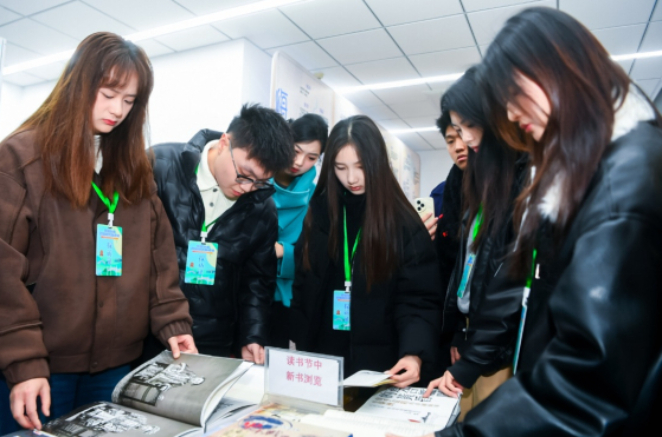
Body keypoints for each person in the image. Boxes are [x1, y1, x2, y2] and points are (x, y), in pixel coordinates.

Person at [431, 7, 662, 436]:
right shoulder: (587, 174)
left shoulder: (623, 181)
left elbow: (588, 376)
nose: (509, 113)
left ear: (558, 65)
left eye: (514, 92)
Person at [0, 32, 196, 432]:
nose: (117, 110)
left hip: (115, 366)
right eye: (108, 94)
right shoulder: (21, 158)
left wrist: (174, 323)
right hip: (42, 368)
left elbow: (159, 261)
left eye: (129, 101)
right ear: (78, 85)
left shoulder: (132, 169)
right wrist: (23, 360)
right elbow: (3, 271)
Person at [290, 115, 442, 387]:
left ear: (377, 162)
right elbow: (304, 281)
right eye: (340, 167)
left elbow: (418, 300)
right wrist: (299, 338)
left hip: (381, 366)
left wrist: (414, 352)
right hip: (322, 361)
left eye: (360, 166)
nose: (351, 178)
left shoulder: (402, 222)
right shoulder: (320, 213)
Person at [149, 104, 294, 365]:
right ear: (224, 142)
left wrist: (252, 336)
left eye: (260, 182)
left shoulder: (262, 206)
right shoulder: (160, 166)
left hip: (213, 340)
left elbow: (257, 281)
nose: (247, 188)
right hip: (150, 333)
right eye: (244, 175)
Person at [424, 67, 525, 420]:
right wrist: (459, 335)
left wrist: (473, 355)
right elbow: (465, 272)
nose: (463, 141)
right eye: (453, 134)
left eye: (468, 127)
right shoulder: (476, 187)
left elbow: (510, 285)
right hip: (472, 338)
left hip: (498, 347)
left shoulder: (521, 181)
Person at [268, 113, 328, 349]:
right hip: (244, 288)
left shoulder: (317, 198)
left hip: (285, 296)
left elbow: (318, 255)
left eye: (311, 157)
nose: (299, 161)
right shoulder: (254, 179)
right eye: (295, 150)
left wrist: (284, 251)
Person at [429, 114, 468, 218]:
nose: (458, 147)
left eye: (462, 136)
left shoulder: (503, 186)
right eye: (450, 141)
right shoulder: (439, 193)